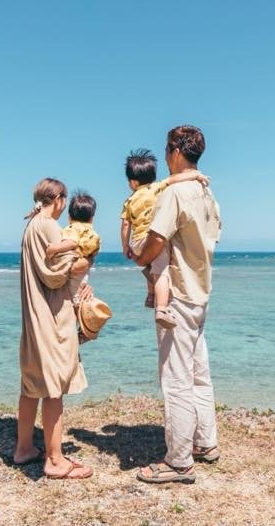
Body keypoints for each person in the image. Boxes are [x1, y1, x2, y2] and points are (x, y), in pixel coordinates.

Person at [132, 126, 223, 484]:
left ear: (175, 151)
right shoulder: (206, 192)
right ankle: (205, 442)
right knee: (199, 373)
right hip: (201, 291)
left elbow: (156, 238)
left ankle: (179, 461)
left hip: (179, 294)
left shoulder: (176, 193)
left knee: (176, 379)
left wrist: (140, 257)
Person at [15, 178, 94, 480]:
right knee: (53, 387)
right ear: (58, 199)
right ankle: (55, 460)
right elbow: (55, 275)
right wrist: (85, 261)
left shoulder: (31, 226)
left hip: (33, 315)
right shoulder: (48, 225)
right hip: (49, 315)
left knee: (32, 384)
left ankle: (24, 448)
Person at [120, 151, 209, 329]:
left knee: (150, 267)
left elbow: (125, 225)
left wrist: (126, 247)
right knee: (161, 271)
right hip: (152, 237)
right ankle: (161, 309)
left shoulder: (129, 201)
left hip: (137, 241)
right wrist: (196, 175)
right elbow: (175, 179)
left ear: (133, 182)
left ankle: (150, 295)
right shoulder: (157, 187)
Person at [45, 190, 100, 339]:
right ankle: (86, 329)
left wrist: (54, 248)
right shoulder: (90, 231)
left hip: (76, 272)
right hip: (84, 273)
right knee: (81, 297)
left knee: (75, 298)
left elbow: (72, 243)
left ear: (69, 217)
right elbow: (92, 253)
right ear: (92, 219)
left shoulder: (72, 229)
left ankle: (82, 331)